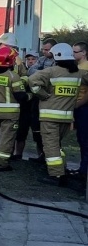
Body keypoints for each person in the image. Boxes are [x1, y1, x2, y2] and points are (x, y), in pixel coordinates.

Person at [29, 42, 88, 185]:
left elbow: (32, 81)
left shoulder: (51, 71)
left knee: (51, 146)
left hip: (50, 117)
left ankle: (56, 175)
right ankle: (61, 169)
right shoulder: (79, 73)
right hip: (66, 118)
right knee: (56, 146)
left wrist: (43, 95)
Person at [73, 40, 88, 187]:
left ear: (83, 53)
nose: (73, 54)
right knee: (81, 139)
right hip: (79, 108)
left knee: (85, 139)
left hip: (83, 108)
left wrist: (77, 105)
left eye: (75, 52)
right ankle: (82, 169)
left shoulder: (86, 68)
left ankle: (84, 172)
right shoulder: (78, 67)